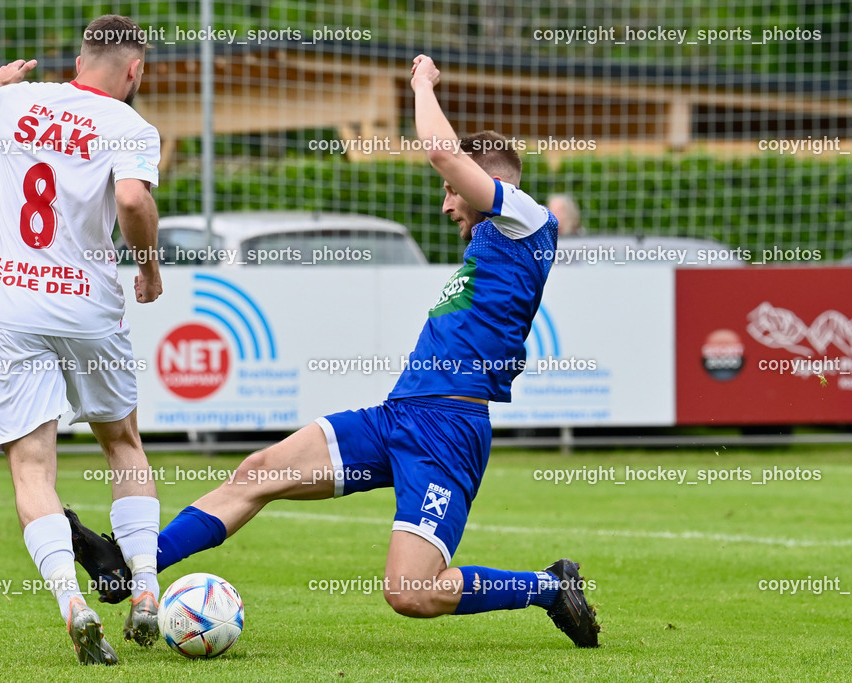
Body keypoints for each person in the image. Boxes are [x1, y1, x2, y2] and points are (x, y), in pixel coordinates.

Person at [70, 54, 600, 648]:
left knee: (411, 592)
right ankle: (129, 567)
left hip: (448, 431)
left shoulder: (529, 221)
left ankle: (549, 587)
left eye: (454, 192)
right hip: (399, 416)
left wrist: (422, 84)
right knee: (257, 473)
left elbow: (445, 153)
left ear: (492, 184)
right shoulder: (487, 249)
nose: (447, 202)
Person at [0, 14, 164, 665]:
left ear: (80, 59)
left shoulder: (14, 101)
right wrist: (147, 265)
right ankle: (145, 589)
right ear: (133, 71)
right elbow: (136, 201)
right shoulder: (130, 126)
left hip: (10, 307)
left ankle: (72, 603)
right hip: (90, 311)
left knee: (32, 465)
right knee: (123, 442)